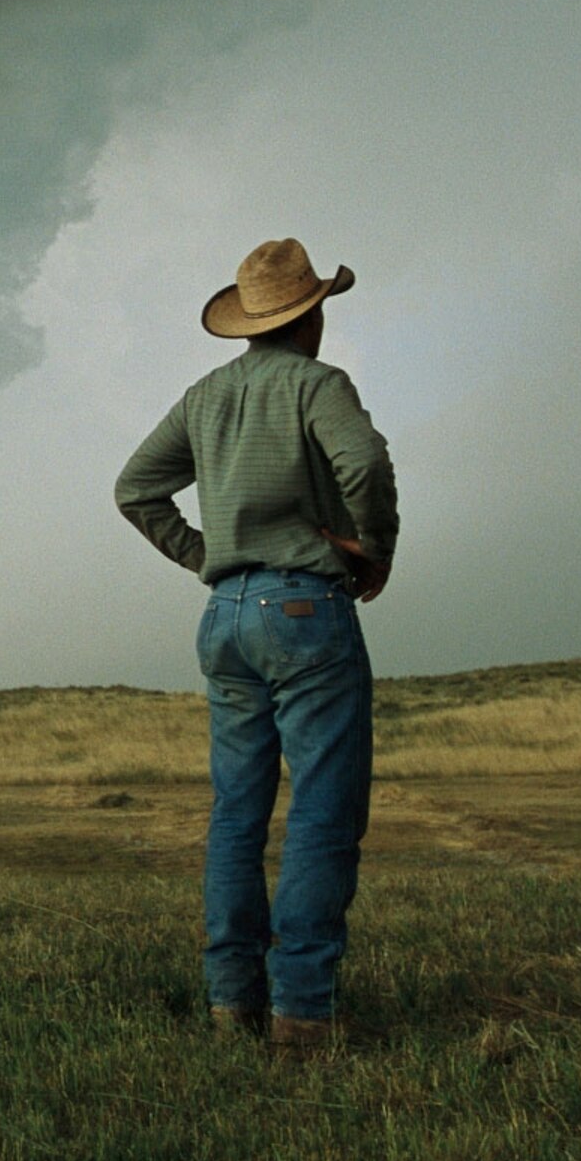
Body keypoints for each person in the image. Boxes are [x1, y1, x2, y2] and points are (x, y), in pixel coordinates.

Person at [114, 239, 398, 1052]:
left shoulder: (206, 396)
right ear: (311, 314)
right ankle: (303, 1012)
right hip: (305, 607)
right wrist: (372, 546)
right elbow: (366, 464)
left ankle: (230, 1002)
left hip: (225, 617)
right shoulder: (318, 384)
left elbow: (134, 488)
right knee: (321, 809)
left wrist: (209, 557)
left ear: (249, 322)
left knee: (237, 814)